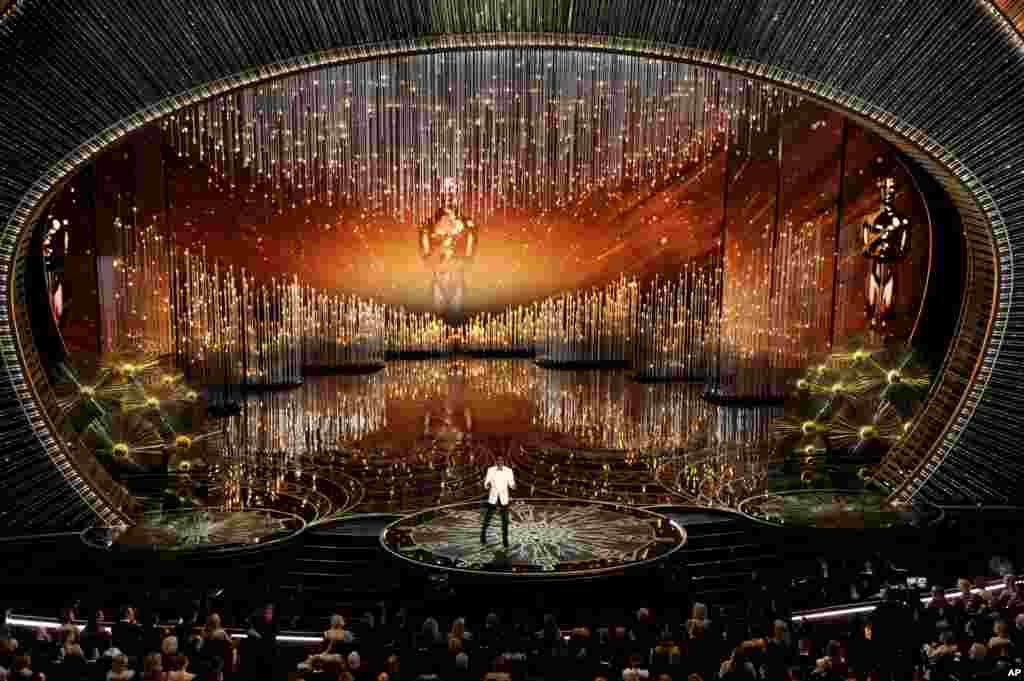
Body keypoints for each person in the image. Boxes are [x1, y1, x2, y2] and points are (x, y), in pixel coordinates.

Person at [481, 454, 515, 548]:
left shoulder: (509, 471)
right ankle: (483, 534)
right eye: (498, 460)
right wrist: (487, 485)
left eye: (501, 460)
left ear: (503, 461)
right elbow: (486, 482)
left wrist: (513, 486)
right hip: (493, 497)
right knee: (488, 517)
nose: (500, 461)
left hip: (504, 498)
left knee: (505, 520)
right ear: (496, 461)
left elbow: (511, 482)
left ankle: (505, 539)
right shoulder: (490, 470)